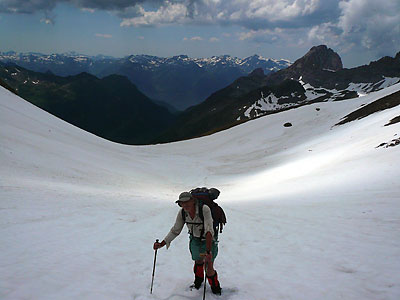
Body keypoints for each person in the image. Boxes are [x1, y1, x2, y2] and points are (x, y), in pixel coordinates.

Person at [153, 191, 222, 295]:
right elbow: (175, 230)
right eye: (182, 203)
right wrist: (162, 244)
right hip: (195, 240)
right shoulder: (182, 213)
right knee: (198, 261)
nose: (185, 205)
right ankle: (198, 282)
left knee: (208, 266)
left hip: (208, 240)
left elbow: (209, 231)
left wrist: (208, 251)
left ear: (193, 201)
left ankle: (215, 287)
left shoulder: (204, 209)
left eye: (187, 202)